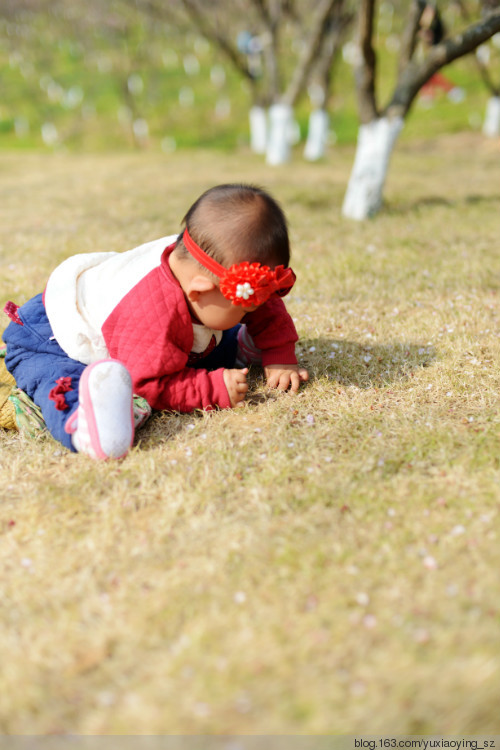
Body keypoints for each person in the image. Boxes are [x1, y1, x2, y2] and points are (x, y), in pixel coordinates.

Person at [2, 183, 309, 460]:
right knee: (62, 381)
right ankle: (89, 427)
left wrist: (279, 353)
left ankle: (239, 345)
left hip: (135, 336)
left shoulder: (199, 269)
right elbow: (147, 383)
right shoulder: (152, 314)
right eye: (245, 311)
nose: (251, 314)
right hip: (47, 337)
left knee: (202, 342)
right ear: (199, 292)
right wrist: (210, 390)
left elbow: (263, 303)